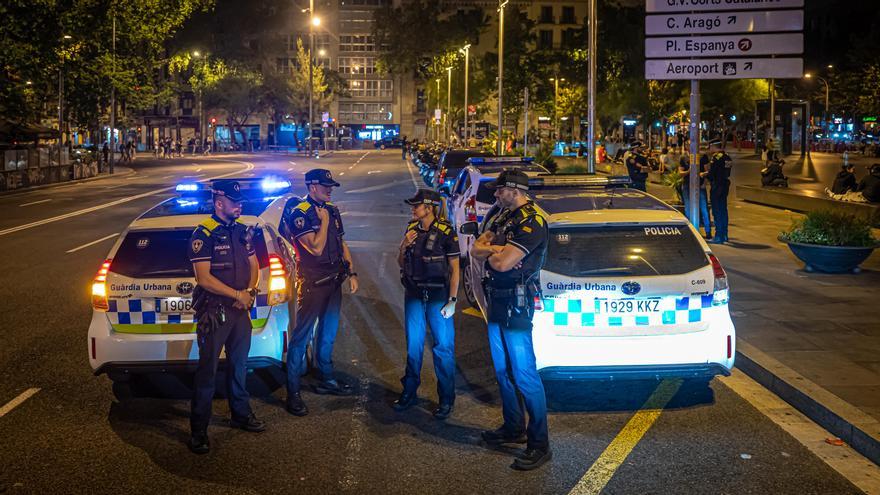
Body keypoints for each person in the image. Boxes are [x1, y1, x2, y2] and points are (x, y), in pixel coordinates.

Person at [470, 170, 551, 471]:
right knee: (503, 371)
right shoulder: (503, 218)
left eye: (499, 190)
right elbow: (476, 250)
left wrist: (495, 253)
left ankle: (539, 444)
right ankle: (513, 427)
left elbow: (502, 263)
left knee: (525, 375)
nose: (495, 195)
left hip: (517, 304)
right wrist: (496, 250)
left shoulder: (533, 222)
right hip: (497, 299)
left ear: (514, 190)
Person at [187, 180, 266, 454]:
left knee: (239, 366)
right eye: (234, 201)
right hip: (215, 311)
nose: (239, 205)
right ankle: (199, 430)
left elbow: (254, 264)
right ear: (219, 202)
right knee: (207, 371)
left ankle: (241, 415)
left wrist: (251, 292)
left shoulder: (244, 230)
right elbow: (203, 278)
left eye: (240, 201)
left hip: (240, 310)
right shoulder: (204, 233)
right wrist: (237, 294)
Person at [283, 169, 358, 416]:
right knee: (301, 337)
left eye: (331, 186)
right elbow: (314, 248)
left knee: (328, 334)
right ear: (312, 186)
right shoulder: (300, 214)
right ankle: (293, 392)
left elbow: (342, 243)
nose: (330, 189)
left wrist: (353, 272)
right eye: (326, 186)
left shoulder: (332, 210)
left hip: (334, 280)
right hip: (314, 282)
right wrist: (323, 222)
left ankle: (326, 378)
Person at [394, 189, 460, 419]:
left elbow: (455, 269)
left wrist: (452, 300)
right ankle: (409, 392)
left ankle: (446, 399)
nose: (413, 208)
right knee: (413, 345)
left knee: (443, 349)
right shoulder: (411, 230)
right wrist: (404, 245)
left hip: (438, 296)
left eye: (417, 205)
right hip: (413, 294)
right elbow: (401, 262)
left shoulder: (446, 233)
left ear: (429, 208)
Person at [704, 140, 733, 244]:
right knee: (723, 211)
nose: (709, 148)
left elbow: (712, 174)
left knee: (717, 211)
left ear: (713, 146)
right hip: (725, 186)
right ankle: (724, 234)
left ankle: (718, 236)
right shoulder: (727, 157)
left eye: (710, 146)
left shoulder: (716, 158)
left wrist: (704, 175)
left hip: (717, 186)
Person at [679, 153, 712, 239]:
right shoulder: (684, 157)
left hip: (699, 185)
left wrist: (704, 183)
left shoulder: (702, 156)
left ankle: (708, 231)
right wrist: (688, 171)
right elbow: (680, 172)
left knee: (704, 208)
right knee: (688, 208)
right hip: (687, 185)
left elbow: (708, 171)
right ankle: (691, 231)